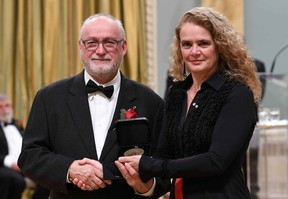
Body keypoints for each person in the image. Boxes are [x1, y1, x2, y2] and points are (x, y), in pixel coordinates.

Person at [116, 7, 262, 199]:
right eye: (186, 44)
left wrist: (149, 165)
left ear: (220, 46)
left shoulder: (237, 93)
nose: (194, 52)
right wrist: (143, 181)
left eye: (203, 43)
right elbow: (162, 154)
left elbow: (215, 161)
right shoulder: (176, 92)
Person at [18, 14, 170, 199]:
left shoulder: (151, 102)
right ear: (80, 47)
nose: (100, 50)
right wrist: (69, 170)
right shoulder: (49, 97)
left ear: (124, 47)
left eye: (109, 42)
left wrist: (146, 187)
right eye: (92, 43)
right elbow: (29, 157)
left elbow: (165, 166)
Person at [0, 93, 50, 199]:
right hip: (5, 166)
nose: (5, 110)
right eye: (0, 107)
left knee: (48, 178)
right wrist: (11, 163)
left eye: (7, 106)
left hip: (26, 165)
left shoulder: (17, 125)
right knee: (15, 180)